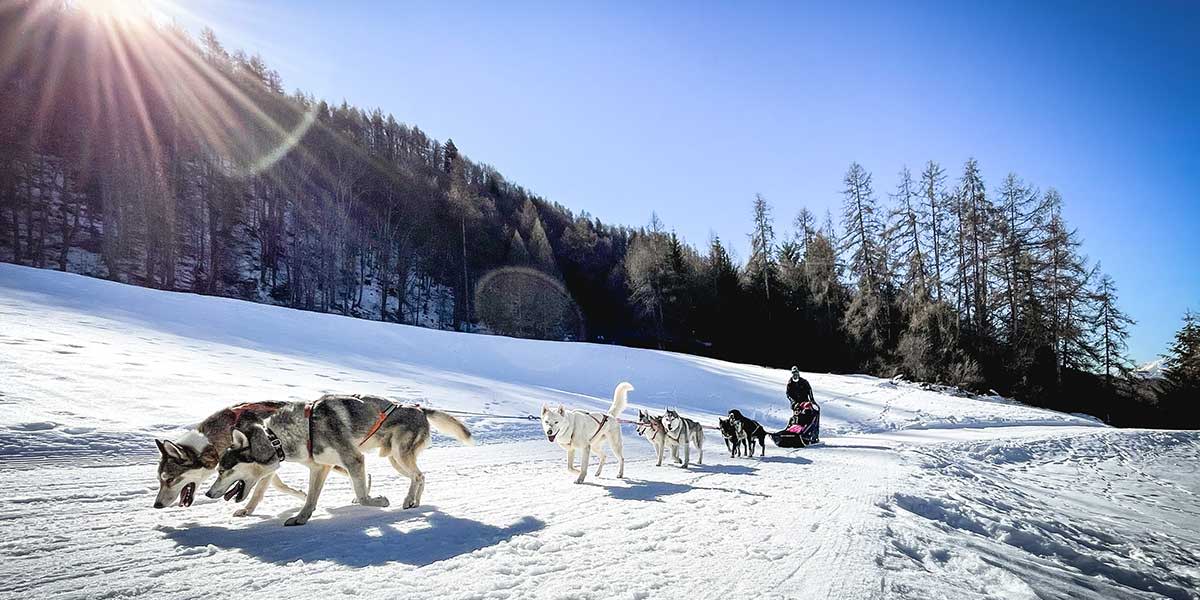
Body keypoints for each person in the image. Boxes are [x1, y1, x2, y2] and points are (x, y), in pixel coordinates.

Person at [785, 366, 820, 444]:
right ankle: (794, 434)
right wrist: (794, 403)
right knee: (796, 420)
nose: (795, 375)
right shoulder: (790, 384)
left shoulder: (804, 382)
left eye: (796, 373)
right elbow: (788, 395)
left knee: (810, 418)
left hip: (805, 403)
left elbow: (809, 391)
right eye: (793, 373)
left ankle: (813, 436)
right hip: (796, 405)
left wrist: (812, 400)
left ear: (798, 373)